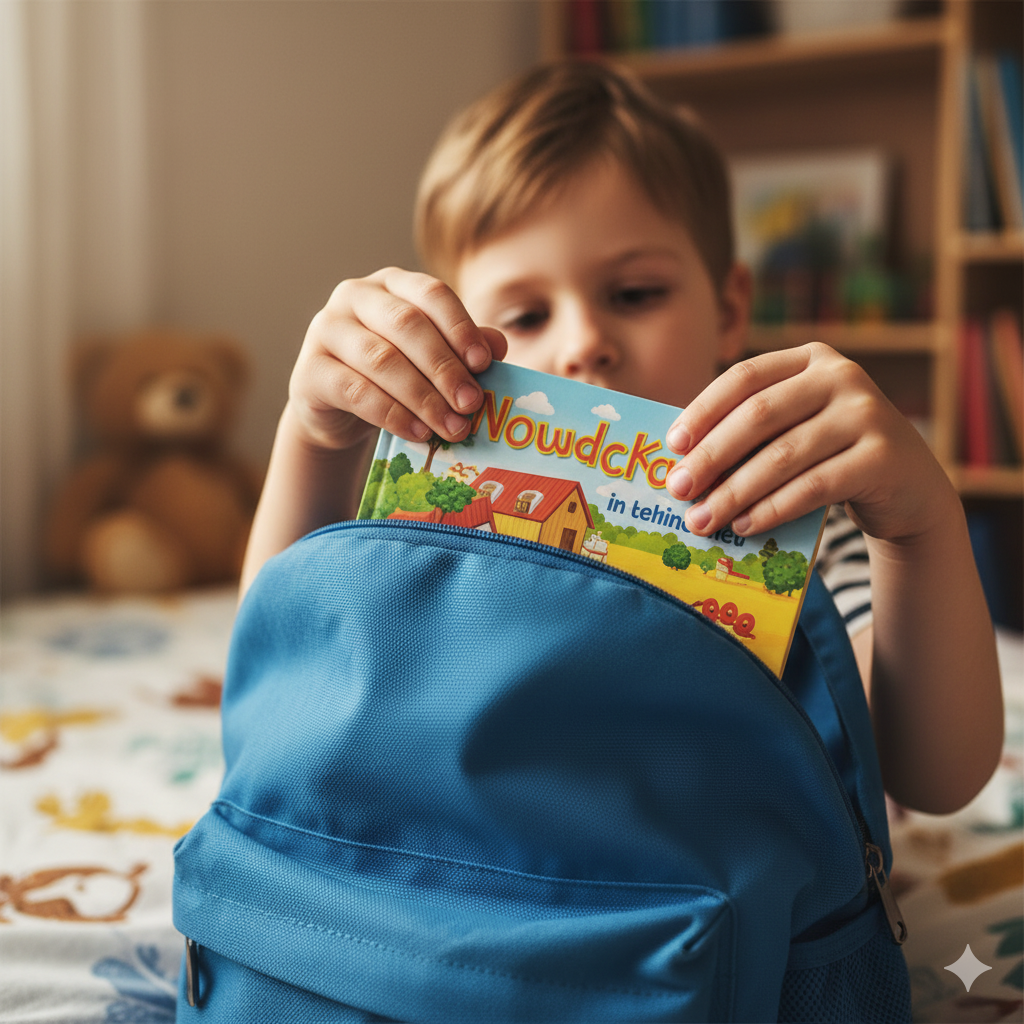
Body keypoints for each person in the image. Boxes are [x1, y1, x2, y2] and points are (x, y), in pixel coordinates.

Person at [241, 60, 1002, 817]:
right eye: (528, 315)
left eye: (635, 294)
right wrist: (315, 437)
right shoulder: (432, 512)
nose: (584, 342)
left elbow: (929, 777)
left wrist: (917, 529)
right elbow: (279, 688)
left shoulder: (798, 518)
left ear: (730, 308)